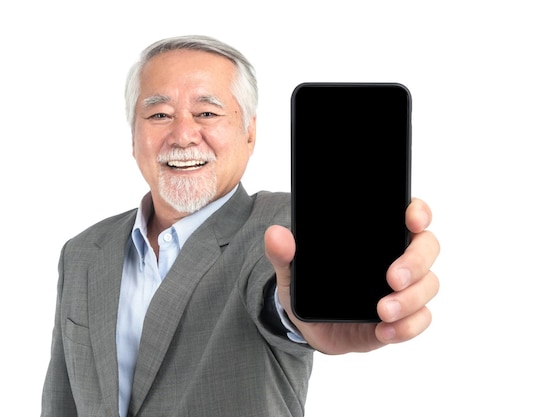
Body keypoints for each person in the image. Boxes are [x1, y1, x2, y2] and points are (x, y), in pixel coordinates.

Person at [41, 35, 440, 417]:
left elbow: (273, 290)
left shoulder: (281, 224)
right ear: (133, 135)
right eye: (159, 114)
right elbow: (61, 403)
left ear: (249, 132)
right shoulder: (83, 252)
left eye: (207, 113)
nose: (182, 135)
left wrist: (302, 316)